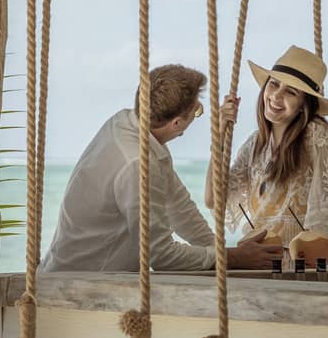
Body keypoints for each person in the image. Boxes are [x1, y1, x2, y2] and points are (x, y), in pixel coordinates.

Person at [41, 64, 282, 273]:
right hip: (80, 286)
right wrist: (232, 258)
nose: (198, 116)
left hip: (75, 274)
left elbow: (179, 208)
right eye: (197, 111)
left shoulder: (128, 123)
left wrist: (220, 250)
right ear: (177, 123)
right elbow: (160, 255)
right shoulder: (137, 165)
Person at [212, 45, 328, 273]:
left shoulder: (315, 135)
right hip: (253, 265)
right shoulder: (254, 144)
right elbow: (213, 199)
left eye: (291, 92)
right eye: (273, 84)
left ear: (304, 105)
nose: (276, 96)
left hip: (295, 267)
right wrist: (219, 134)